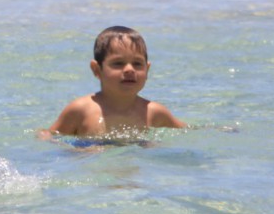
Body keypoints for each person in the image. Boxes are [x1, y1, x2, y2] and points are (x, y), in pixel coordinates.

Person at [46, 26, 186, 138]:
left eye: (137, 64)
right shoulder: (81, 110)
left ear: (147, 69)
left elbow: (187, 133)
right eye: (118, 63)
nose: (130, 70)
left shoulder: (154, 112)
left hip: (136, 171)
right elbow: (49, 137)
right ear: (97, 70)